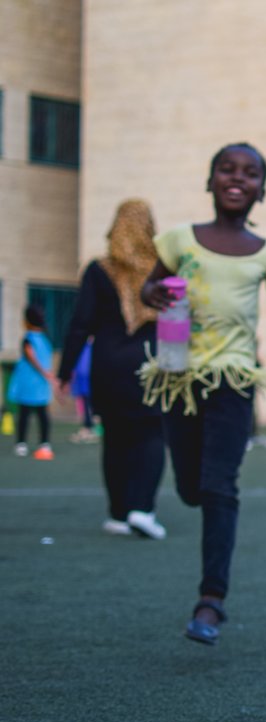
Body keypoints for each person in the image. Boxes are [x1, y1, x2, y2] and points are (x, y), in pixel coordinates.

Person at [140, 143, 266, 645]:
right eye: (226, 169)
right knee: (191, 490)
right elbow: (149, 289)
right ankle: (197, 505)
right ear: (210, 181)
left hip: (233, 381)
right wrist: (151, 294)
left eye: (250, 173)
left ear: (262, 190)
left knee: (221, 487)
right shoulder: (179, 241)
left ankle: (211, 600)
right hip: (177, 377)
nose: (237, 178)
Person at [58, 199, 168, 538]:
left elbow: (80, 324)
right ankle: (142, 508)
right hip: (151, 363)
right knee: (151, 435)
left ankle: (118, 514)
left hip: (108, 365)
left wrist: (65, 372)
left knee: (116, 439)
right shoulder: (161, 268)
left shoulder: (98, 269)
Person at [8, 305, 55, 460]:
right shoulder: (44, 338)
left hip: (31, 384)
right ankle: (43, 443)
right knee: (40, 415)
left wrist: (45, 373)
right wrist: (48, 374)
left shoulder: (29, 338)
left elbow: (32, 357)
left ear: (27, 321)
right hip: (38, 384)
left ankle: (24, 443)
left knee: (26, 415)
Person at [68, 338, 100, 444]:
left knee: (92, 404)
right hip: (84, 381)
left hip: (92, 380)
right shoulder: (83, 345)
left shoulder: (95, 345)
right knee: (87, 404)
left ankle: (91, 429)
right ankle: (89, 428)